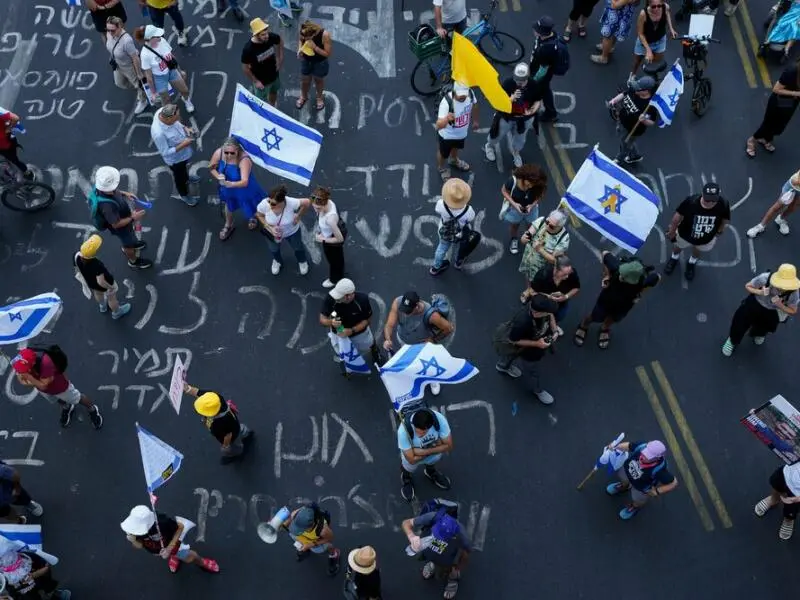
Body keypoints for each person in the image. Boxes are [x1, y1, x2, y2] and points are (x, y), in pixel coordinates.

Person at [574, 252, 660, 349]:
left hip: (624, 305)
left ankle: (604, 328)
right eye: (622, 274)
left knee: (613, 318)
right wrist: (607, 275)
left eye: (625, 278)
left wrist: (640, 294)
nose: (621, 277)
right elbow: (605, 253)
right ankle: (584, 325)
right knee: (595, 316)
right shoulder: (616, 267)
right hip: (607, 299)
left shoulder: (644, 280)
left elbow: (657, 278)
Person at [11, 347, 103, 429]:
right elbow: (24, 378)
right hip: (44, 390)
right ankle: (67, 407)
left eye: (24, 368)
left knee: (78, 398)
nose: (21, 370)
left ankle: (92, 408)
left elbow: (43, 384)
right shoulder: (24, 360)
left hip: (60, 387)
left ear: (33, 363)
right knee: (56, 400)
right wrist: (24, 374)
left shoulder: (46, 364)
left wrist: (27, 376)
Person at [383, 291, 455, 396]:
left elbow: (448, 328)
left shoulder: (431, 315)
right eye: (404, 309)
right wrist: (388, 339)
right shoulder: (398, 302)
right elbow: (389, 325)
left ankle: (432, 380)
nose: (405, 313)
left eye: (408, 311)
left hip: (424, 346)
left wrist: (433, 339)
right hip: (404, 341)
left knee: (429, 363)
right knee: (411, 360)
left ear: (417, 306)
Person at [721, 264, 800, 356]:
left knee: (765, 327)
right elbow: (748, 286)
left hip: (772, 310)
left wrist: (780, 305)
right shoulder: (765, 278)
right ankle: (732, 341)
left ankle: (759, 334)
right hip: (755, 303)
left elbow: (793, 310)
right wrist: (760, 292)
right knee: (740, 322)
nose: (782, 289)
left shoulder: (794, 292)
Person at [495, 295, 559, 405]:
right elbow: (513, 340)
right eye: (547, 312)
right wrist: (537, 344)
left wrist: (554, 330)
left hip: (535, 342)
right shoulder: (523, 322)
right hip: (527, 350)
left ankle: (503, 366)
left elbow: (550, 314)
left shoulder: (541, 307)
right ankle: (538, 390)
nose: (550, 313)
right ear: (537, 313)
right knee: (533, 372)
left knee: (510, 356)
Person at [121, 505, 219, 573]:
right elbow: (140, 545)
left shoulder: (162, 521)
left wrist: (170, 548)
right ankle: (174, 556)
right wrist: (133, 540)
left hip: (173, 545)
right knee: (175, 555)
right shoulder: (133, 530)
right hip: (160, 550)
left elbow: (180, 527)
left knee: (190, 557)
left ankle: (202, 562)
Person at [664, 182, 730, 281]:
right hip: (685, 234)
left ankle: (692, 262)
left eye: (713, 200)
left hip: (706, 238)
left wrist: (719, 231)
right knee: (678, 246)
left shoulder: (723, 203)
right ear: (702, 194)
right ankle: (674, 257)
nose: (710, 203)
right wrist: (672, 231)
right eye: (707, 200)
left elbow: (724, 219)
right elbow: (677, 217)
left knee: (698, 250)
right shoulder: (691, 202)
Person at [89, 166, 152, 269]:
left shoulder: (100, 188)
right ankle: (133, 261)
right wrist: (133, 218)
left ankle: (133, 243)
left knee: (131, 237)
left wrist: (125, 194)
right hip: (121, 228)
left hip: (125, 220)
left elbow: (114, 191)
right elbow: (116, 224)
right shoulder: (106, 207)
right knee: (128, 244)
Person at [401, 506, 471, 600]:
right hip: (431, 551)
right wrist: (411, 536)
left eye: (439, 537)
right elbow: (406, 523)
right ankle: (432, 564)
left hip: (447, 557)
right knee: (432, 558)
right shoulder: (434, 517)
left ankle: (453, 579)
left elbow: (466, 554)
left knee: (450, 570)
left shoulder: (462, 536)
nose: (435, 536)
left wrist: (458, 568)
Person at [483, 63, 542, 168]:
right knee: (496, 134)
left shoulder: (533, 85)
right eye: (517, 80)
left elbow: (538, 100)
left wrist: (532, 110)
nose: (519, 83)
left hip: (524, 118)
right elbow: (498, 102)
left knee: (520, 139)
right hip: (506, 116)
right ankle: (489, 146)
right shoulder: (508, 83)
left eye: (522, 81)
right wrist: (511, 99)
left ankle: (516, 152)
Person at [605, 439, 678, 520]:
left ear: (657, 458)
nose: (643, 455)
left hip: (640, 487)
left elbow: (673, 483)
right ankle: (624, 486)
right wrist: (615, 447)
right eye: (645, 452)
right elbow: (628, 445)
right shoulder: (642, 447)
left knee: (638, 499)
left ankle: (634, 507)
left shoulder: (660, 470)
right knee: (623, 478)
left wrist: (657, 491)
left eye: (648, 456)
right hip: (627, 471)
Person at [209, 137, 265, 240]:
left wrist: (230, 184)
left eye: (232, 153)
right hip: (228, 188)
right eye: (226, 152)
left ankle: (252, 218)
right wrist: (218, 176)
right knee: (228, 205)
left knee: (250, 205)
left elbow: (244, 182)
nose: (229, 155)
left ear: (237, 150)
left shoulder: (244, 160)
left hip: (244, 189)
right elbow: (211, 167)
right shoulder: (219, 153)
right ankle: (228, 224)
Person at [183, 383, 253, 463]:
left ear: (210, 414)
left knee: (236, 445)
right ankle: (247, 433)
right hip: (234, 424)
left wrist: (225, 446)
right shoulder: (214, 398)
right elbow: (198, 392)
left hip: (232, 435)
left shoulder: (217, 425)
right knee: (239, 429)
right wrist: (187, 388)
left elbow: (228, 435)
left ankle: (237, 452)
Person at [746, 59, 800, 157]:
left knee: (779, 126)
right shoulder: (791, 71)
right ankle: (752, 140)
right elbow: (776, 89)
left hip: (792, 103)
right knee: (768, 125)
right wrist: (796, 93)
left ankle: (765, 139)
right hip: (779, 102)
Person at [398, 407, 453, 501]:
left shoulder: (439, 420)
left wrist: (421, 451)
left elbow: (449, 446)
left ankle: (430, 472)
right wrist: (437, 445)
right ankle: (406, 479)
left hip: (429, 456)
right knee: (407, 468)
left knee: (431, 463)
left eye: (423, 432)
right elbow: (411, 459)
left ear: (430, 426)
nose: (419, 435)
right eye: (417, 430)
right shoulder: (403, 431)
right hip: (414, 460)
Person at [319, 279, 380, 364]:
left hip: (358, 333)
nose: (336, 298)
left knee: (370, 343)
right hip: (339, 334)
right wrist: (331, 322)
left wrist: (351, 330)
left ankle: (376, 352)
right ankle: (347, 363)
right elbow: (322, 319)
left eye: (339, 296)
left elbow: (367, 320)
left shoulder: (362, 300)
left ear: (349, 296)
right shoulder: (331, 298)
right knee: (343, 352)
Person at [255, 185, 311, 276]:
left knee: (298, 247)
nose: (269, 205)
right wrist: (269, 227)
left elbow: (307, 202)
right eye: (269, 201)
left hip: (292, 231)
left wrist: (299, 216)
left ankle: (302, 261)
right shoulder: (264, 204)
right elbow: (259, 215)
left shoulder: (291, 203)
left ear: (282, 202)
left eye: (273, 204)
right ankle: (277, 261)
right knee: (274, 249)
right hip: (273, 234)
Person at [73, 234, 132, 319]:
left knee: (98, 294)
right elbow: (101, 281)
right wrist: (110, 287)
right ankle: (117, 312)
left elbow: (76, 270)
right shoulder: (96, 264)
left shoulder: (76, 256)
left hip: (91, 283)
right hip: (105, 283)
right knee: (112, 298)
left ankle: (103, 306)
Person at [518, 209, 570, 303]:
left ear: (560, 226)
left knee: (539, 285)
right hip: (529, 258)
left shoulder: (563, 238)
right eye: (547, 222)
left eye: (551, 226)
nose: (547, 225)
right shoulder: (541, 221)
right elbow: (526, 237)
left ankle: (536, 296)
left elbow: (554, 260)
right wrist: (524, 238)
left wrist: (540, 250)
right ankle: (528, 289)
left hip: (542, 269)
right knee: (528, 275)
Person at [151, 103, 198, 206]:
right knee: (179, 177)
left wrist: (185, 128)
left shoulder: (162, 112)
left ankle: (187, 178)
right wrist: (183, 144)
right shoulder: (158, 134)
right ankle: (184, 195)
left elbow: (177, 124)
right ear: (168, 119)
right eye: (175, 118)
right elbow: (165, 152)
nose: (178, 119)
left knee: (184, 170)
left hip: (183, 154)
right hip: (176, 160)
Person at [139, 25, 194, 112]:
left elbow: (171, 57)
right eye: (157, 36)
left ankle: (186, 100)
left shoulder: (162, 41)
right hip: (160, 78)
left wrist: (180, 70)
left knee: (185, 90)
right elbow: (149, 77)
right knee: (166, 101)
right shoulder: (145, 54)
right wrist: (153, 93)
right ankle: (170, 116)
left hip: (171, 71)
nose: (160, 36)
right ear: (150, 38)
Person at [430, 178, 479, 276]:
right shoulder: (468, 211)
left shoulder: (441, 204)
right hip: (460, 232)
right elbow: (470, 219)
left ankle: (436, 267)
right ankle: (459, 262)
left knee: (442, 248)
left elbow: (437, 210)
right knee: (464, 244)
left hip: (445, 230)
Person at [606, 75, 658, 164]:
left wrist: (644, 120)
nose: (635, 90)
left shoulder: (650, 105)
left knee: (625, 145)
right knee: (625, 141)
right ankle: (635, 155)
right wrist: (614, 101)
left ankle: (619, 159)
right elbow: (624, 94)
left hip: (632, 130)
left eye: (639, 89)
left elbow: (652, 122)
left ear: (646, 91)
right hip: (622, 121)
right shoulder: (634, 90)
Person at [435, 81, 479, 182]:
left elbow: (475, 105)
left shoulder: (470, 93)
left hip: (461, 133)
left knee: (456, 147)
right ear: (454, 91)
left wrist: (476, 120)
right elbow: (438, 126)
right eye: (460, 95)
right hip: (447, 136)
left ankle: (454, 160)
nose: (462, 97)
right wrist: (446, 119)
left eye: (464, 95)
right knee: (443, 153)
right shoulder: (446, 102)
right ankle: (441, 168)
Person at [0, 536, 70, 599]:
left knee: (47, 587)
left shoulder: (30, 557)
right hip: (25, 593)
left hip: (40, 581)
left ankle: (54, 594)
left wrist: (34, 575)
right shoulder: (5, 580)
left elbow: (47, 568)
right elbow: (10, 593)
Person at [501, 164, 548, 254]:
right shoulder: (513, 181)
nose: (530, 186)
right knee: (514, 226)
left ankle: (529, 239)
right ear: (524, 177)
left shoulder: (537, 185)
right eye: (529, 183)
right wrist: (514, 204)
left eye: (533, 184)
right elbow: (504, 191)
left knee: (531, 226)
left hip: (532, 209)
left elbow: (539, 195)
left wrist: (531, 205)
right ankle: (514, 239)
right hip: (515, 209)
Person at [106, 16, 148, 115]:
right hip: (118, 64)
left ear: (119, 27)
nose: (110, 33)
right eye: (107, 29)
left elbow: (135, 57)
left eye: (112, 30)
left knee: (138, 84)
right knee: (120, 83)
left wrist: (138, 73)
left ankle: (143, 101)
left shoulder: (126, 41)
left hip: (129, 66)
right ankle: (141, 90)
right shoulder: (109, 33)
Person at [284, 504, 340, 575]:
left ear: (310, 526)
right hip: (301, 538)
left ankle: (334, 554)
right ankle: (305, 549)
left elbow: (330, 538)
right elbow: (286, 523)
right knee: (297, 540)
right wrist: (275, 525)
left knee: (327, 547)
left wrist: (311, 544)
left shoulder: (323, 530)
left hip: (314, 541)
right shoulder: (295, 514)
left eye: (300, 529)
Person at [629, 0, 677, 82]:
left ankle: (651, 75)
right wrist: (648, 50)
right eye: (653, 6)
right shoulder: (643, 14)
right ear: (649, 4)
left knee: (657, 61)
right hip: (645, 42)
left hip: (660, 40)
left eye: (659, 6)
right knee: (637, 60)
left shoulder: (665, 7)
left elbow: (667, 13)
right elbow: (640, 34)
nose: (656, 8)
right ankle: (632, 75)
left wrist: (671, 28)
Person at [242, 18, 284, 107]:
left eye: (267, 33)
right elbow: (245, 68)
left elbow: (280, 41)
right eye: (263, 35)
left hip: (274, 75)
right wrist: (256, 81)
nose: (267, 36)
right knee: (260, 102)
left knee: (274, 92)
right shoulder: (248, 49)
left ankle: (272, 107)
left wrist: (279, 57)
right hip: (261, 81)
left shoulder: (270, 37)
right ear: (256, 35)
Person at [747, 169, 800, 238]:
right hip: (792, 187)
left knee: (793, 208)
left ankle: (780, 219)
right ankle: (761, 226)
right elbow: (795, 181)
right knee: (777, 207)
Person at [754, 460, 800, 540]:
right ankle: (774, 499)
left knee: (792, 509)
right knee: (777, 485)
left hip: (797, 493)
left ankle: (788, 519)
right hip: (787, 472)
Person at [311, 186, 346, 288]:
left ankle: (335, 279)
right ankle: (340, 270)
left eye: (318, 208)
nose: (315, 209)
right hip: (328, 235)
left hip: (331, 242)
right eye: (314, 206)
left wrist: (323, 239)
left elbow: (340, 239)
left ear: (324, 203)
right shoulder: (329, 202)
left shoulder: (330, 219)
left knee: (334, 261)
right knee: (338, 259)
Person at [530, 255, 581, 323]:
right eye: (564, 274)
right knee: (539, 322)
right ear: (556, 269)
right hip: (544, 306)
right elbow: (532, 292)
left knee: (559, 317)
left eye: (568, 273)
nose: (567, 276)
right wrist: (549, 297)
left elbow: (576, 288)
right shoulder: (542, 275)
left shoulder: (572, 273)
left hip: (561, 304)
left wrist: (565, 297)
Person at [529, 16, 562, 122]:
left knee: (538, 90)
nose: (534, 30)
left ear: (541, 32)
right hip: (538, 69)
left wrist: (533, 80)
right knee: (545, 91)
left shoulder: (546, 49)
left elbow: (543, 70)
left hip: (541, 74)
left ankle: (549, 113)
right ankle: (551, 112)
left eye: (536, 29)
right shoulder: (551, 36)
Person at [297, 20, 333, 111]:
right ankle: (303, 96)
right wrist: (300, 49)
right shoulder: (304, 31)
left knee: (318, 80)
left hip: (320, 62)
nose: (306, 39)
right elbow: (301, 40)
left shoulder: (325, 35)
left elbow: (327, 54)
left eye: (308, 37)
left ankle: (319, 98)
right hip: (306, 60)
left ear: (314, 33)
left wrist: (315, 47)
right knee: (305, 80)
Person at [592, 0, 641, 65]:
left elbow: (615, 5)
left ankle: (603, 57)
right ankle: (609, 48)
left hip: (615, 15)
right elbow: (637, 3)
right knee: (615, 32)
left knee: (607, 36)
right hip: (622, 15)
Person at [0, 110, 33, 180]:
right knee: (9, 159)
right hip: (4, 145)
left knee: (14, 160)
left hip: (6, 146)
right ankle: (8, 166)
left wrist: (8, 129)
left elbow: (15, 118)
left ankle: (28, 174)